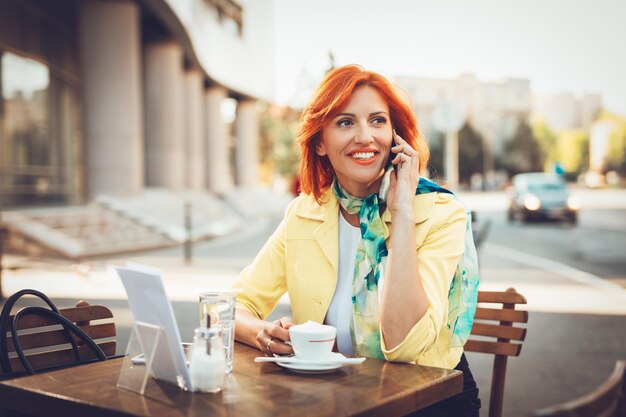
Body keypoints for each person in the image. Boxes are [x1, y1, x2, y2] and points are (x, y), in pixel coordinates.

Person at [232, 64, 481, 416]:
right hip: (338, 396)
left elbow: (404, 346)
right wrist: (263, 333)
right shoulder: (305, 212)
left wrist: (403, 212)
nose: (366, 136)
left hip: (427, 399)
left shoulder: (442, 214)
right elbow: (233, 307)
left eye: (378, 121)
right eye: (345, 122)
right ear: (320, 142)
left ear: (397, 138)